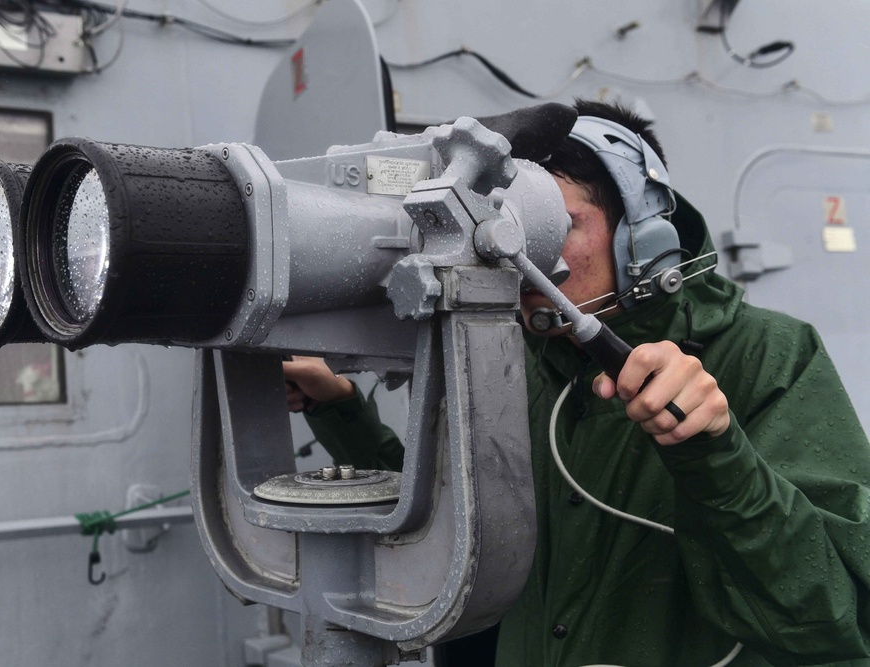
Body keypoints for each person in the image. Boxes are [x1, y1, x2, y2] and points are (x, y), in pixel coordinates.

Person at [283, 100, 870, 666]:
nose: (522, 251)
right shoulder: (519, 360)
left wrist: (714, 450)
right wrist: (341, 409)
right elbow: (444, 520)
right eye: (511, 224)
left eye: (555, 223)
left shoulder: (768, 354)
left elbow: (836, 614)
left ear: (640, 233)